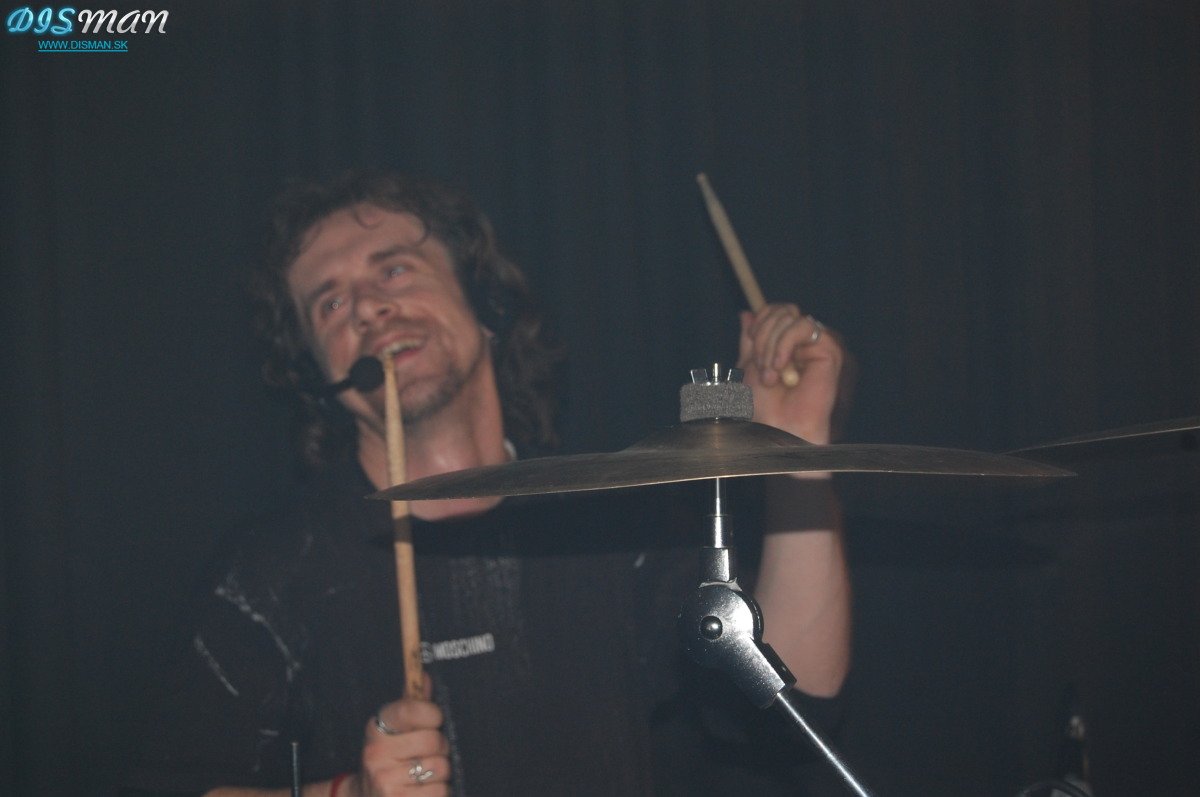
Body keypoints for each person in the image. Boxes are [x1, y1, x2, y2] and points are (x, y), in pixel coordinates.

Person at [121, 171, 851, 797]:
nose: (368, 307)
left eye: (393, 270)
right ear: (318, 372)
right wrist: (344, 794)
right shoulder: (275, 568)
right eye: (330, 303)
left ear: (482, 300)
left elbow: (795, 703)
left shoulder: (600, 520)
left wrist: (799, 463)